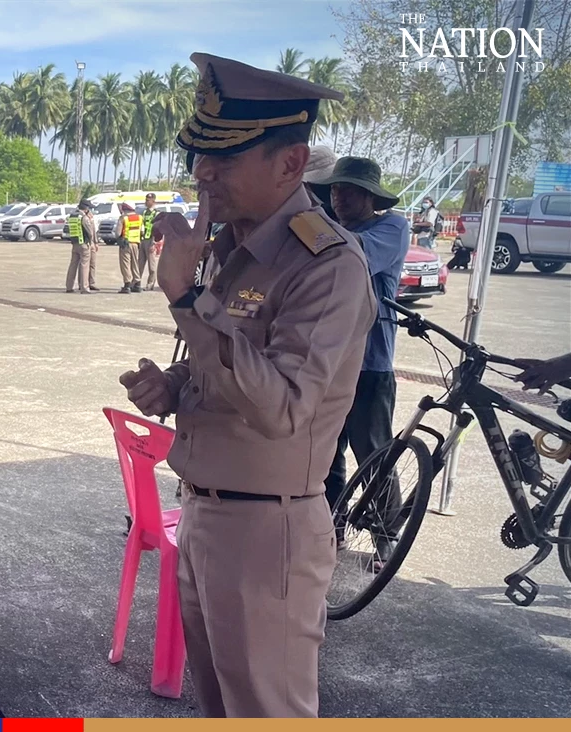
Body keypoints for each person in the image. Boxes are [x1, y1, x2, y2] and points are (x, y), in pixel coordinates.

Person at [119, 53, 374, 718]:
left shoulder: (326, 264)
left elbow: (284, 405)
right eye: (199, 154)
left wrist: (186, 297)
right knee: (221, 711)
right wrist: (175, 384)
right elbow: (229, 359)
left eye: (225, 157)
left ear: (290, 163)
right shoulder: (233, 247)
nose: (203, 171)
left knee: (268, 714)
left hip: (267, 530)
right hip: (205, 512)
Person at [309, 156, 411, 559]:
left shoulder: (390, 227)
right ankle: (330, 527)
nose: (339, 197)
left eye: (350, 190)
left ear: (371, 197)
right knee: (326, 450)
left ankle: (385, 535)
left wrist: (308, 220)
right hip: (328, 361)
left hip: (370, 363)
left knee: (373, 452)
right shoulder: (328, 228)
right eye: (335, 189)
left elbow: (350, 256)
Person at [134, 193, 160, 293]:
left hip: (151, 240)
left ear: (153, 201)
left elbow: (157, 229)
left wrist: (154, 243)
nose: (146, 202)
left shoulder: (156, 213)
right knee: (140, 263)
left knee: (151, 265)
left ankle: (150, 284)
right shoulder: (145, 212)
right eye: (146, 200)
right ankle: (136, 283)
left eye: (148, 200)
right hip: (143, 239)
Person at [65, 202, 93, 294]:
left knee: (73, 265)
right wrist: (91, 241)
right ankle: (84, 287)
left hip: (75, 243)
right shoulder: (84, 217)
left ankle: (69, 286)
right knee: (84, 265)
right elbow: (90, 232)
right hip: (83, 244)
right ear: (86, 209)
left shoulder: (72, 216)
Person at [117, 203, 142, 293]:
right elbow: (142, 231)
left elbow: (118, 233)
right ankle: (137, 283)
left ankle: (127, 285)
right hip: (136, 243)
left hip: (125, 244)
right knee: (135, 263)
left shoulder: (123, 218)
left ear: (124, 209)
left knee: (125, 264)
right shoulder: (139, 217)